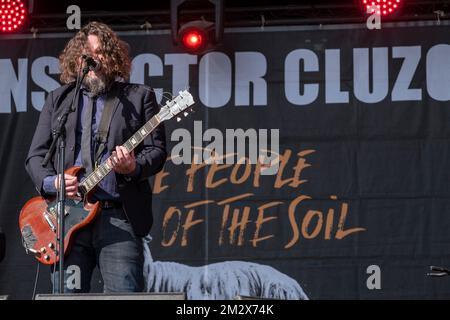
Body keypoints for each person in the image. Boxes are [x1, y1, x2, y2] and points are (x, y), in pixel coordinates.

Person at [25, 21, 166, 293]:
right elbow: (35, 156)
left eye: (99, 52)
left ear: (112, 56)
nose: (93, 59)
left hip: (118, 220)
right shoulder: (59, 100)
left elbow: (157, 151)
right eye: (86, 54)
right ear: (76, 60)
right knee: (66, 298)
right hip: (67, 223)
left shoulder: (138, 97)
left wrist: (133, 166)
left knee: (124, 296)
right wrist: (52, 183)